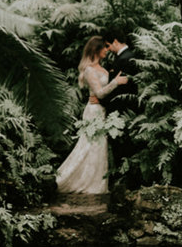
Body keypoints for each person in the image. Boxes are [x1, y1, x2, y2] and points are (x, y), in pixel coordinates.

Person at [55, 36, 130, 196]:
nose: (106, 50)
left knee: (99, 148)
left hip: (101, 111)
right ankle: (74, 181)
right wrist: (116, 82)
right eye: (103, 48)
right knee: (90, 146)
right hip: (94, 111)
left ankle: (98, 184)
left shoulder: (102, 68)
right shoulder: (89, 70)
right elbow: (100, 94)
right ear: (96, 50)